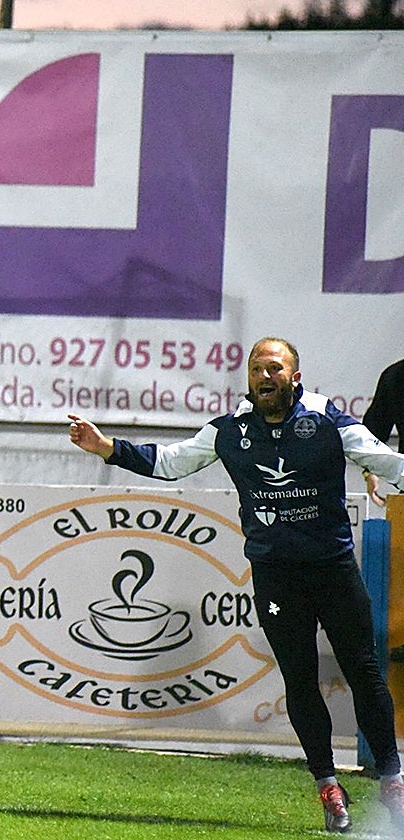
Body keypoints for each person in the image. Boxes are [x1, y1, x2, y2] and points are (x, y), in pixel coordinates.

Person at [67, 336, 404, 834]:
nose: (264, 377)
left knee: (365, 673)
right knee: (299, 680)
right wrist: (108, 448)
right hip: (275, 575)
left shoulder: (328, 421)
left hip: (333, 570)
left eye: (274, 368)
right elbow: (171, 461)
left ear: (296, 374)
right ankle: (328, 785)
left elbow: (389, 463)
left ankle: (393, 781)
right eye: (255, 369)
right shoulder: (230, 430)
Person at [362, 358, 404, 506]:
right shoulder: (397, 375)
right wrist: (370, 471)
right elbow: (375, 428)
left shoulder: (396, 374)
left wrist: (370, 471)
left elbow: (375, 427)